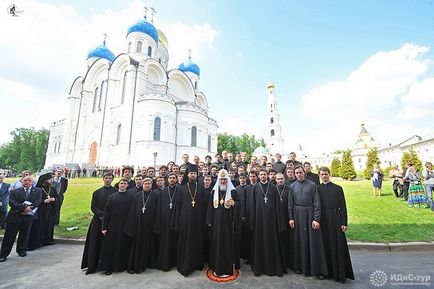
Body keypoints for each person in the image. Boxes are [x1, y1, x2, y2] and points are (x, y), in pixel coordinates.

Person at [288, 166, 327, 279]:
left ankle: (315, 269)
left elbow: (317, 203)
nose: (299, 175)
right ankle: (300, 267)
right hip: (297, 215)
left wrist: (316, 219)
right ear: (294, 174)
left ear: (304, 173)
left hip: (310, 215)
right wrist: (291, 218)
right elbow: (290, 204)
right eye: (297, 173)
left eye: (300, 172)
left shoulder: (312, 185)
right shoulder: (292, 186)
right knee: (300, 241)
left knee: (313, 242)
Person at [317, 167, 354, 283]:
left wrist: (344, 222)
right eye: (322, 174)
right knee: (326, 245)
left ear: (329, 174)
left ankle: (340, 273)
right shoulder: (318, 189)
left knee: (337, 245)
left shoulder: (338, 189)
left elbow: (343, 206)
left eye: (326, 174)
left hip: (336, 219)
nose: (324, 176)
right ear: (319, 175)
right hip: (323, 220)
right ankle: (327, 272)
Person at [248, 169, 286, 277]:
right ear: (259, 176)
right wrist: (252, 222)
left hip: (271, 222)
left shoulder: (273, 188)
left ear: (268, 176)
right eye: (261, 174)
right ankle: (259, 268)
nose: (263, 176)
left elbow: (278, 206)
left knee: (272, 242)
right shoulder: (255, 188)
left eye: (265, 174)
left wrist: (279, 222)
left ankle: (274, 267)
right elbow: (252, 206)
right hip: (259, 222)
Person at [172, 164, 208, 276]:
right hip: (185, 221)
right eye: (191, 173)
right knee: (185, 241)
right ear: (187, 175)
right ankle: (185, 262)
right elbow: (178, 206)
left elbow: (205, 206)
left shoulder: (201, 189)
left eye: (194, 174)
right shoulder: (181, 189)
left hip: (198, 221)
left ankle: (196, 263)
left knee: (197, 241)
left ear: (197, 175)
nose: (193, 175)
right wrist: (178, 220)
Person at [81, 173, 117, 274]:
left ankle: (107, 266)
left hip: (110, 221)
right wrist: (102, 215)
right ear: (103, 179)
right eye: (106, 178)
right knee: (95, 242)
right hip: (98, 220)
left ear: (112, 180)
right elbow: (93, 207)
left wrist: (107, 217)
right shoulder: (97, 192)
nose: (108, 180)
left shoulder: (115, 192)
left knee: (108, 243)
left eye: (110, 178)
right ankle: (92, 265)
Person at [0, 176, 42, 262]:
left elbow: (38, 201)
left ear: (32, 182)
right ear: (22, 182)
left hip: (28, 216)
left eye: (29, 180)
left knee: (25, 234)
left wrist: (29, 209)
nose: (27, 182)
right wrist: (23, 208)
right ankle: (4, 254)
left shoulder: (37, 191)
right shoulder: (14, 191)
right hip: (14, 216)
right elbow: (12, 202)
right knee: (9, 236)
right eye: (25, 180)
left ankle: (22, 250)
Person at [206, 169, 239, 277]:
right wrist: (209, 222)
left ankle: (227, 269)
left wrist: (234, 204)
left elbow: (239, 205)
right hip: (216, 225)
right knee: (217, 244)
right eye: (221, 179)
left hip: (228, 224)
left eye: (225, 179)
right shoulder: (214, 192)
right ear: (218, 180)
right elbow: (210, 208)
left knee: (227, 245)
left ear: (228, 180)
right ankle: (217, 267)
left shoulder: (233, 192)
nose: (223, 181)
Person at [98, 178, 135, 275]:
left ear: (127, 186)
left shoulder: (131, 197)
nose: (122, 185)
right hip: (112, 225)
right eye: (121, 183)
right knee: (110, 246)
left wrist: (130, 226)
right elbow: (107, 213)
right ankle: (109, 267)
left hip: (125, 225)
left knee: (122, 246)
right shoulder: (111, 197)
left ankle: (121, 266)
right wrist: (104, 227)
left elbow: (132, 213)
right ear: (118, 185)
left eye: (125, 184)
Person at [124, 177, 160, 273]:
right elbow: (132, 211)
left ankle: (150, 263)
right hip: (139, 224)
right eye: (145, 184)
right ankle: (137, 263)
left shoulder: (156, 196)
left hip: (150, 225)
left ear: (151, 185)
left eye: (149, 183)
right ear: (143, 185)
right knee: (138, 244)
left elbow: (158, 211)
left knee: (150, 244)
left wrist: (157, 225)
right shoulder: (137, 196)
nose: (147, 185)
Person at [28, 173, 59, 250]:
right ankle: (36, 242)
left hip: (50, 210)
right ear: (45, 180)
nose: (51, 181)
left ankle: (47, 240)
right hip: (40, 210)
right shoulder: (38, 189)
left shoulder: (52, 189)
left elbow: (57, 197)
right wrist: (43, 201)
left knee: (48, 225)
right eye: (49, 179)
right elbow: (34, 200)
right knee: (38, 226)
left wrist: (53, 199)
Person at [155, 173, 179, 271]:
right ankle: (166, 263)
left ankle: (175, 262)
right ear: (167, 180)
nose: (172, 179)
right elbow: (159, 207)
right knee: (165, 242)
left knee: (175, 241)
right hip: (165, 220)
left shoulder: (180, 190)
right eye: (170, 178)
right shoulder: (163, 191)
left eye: (174, 178)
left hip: (176, 220)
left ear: (176, 179)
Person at [275, 173, 290, 264]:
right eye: (278, 179)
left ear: (284, 179)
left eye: (282, 179)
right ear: (276, 180)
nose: (280, 180)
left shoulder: (288, 189)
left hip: (286, 216)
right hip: (277, 218)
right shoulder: (272, 189)